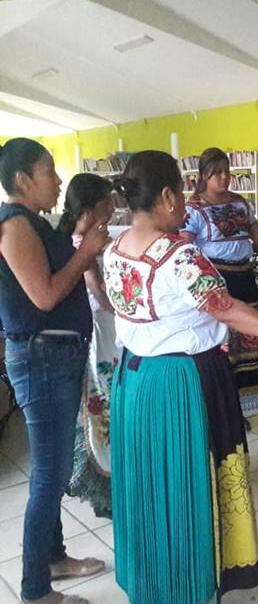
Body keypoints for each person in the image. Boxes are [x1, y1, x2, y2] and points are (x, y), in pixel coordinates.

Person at [104, 151, 258, 604]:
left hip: (134, 383)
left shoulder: (113, 250)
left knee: (148, 488)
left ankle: (157, 599)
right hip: (180, 383)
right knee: (183, 488)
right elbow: (228, 309)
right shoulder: (178, 255)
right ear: (168, 195)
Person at [0, 138, 108, 604]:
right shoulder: (15, 225)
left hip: (55, 356)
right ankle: (34, 591)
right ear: (23, 179)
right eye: (49, 171)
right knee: (49, 474)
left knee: (58, 466)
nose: (59, 180)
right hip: (40, 359)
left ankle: (54, 557)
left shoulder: (34, 223)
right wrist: (85, 254)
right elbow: (43, 296)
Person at [180, 147, 258, 420]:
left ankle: (242, 408)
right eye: (217, 173)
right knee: (223, 346)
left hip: (245, 278)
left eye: (227, 172)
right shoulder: (193, 209)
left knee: (250, 341)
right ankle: (222, 410)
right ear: (203, 176)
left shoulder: (239, 203)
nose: (224, 178)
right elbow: (186, 251)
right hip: (217, 282)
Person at [59, 174, 119, 518]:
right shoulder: (81, 242)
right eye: (107, 202)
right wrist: (125, 310)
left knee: (102, 407)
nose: (112, 208)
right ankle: (106, 486)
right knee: (102, 405)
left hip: (100, 328)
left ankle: (107, 481)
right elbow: (96, 288)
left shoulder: (82, 238)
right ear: (91, 206)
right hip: (98, 330)